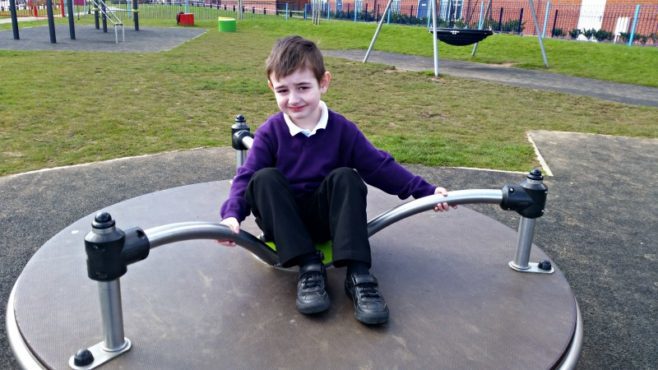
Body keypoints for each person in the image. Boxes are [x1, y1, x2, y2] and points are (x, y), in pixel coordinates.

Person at [219, 35, 454, 325]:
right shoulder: (270, 132)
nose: (293, 99)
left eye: (303, 87)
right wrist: (231, 216)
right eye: (283, 90)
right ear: (272, 88)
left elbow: (378, 166)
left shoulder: (341, 129)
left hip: (325, 219)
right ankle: (309, 269)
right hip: (284, 224)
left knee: (346, 177)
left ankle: (359, 275)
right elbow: (246, 177)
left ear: (324, 82)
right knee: (263, 178)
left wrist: (425, 191)